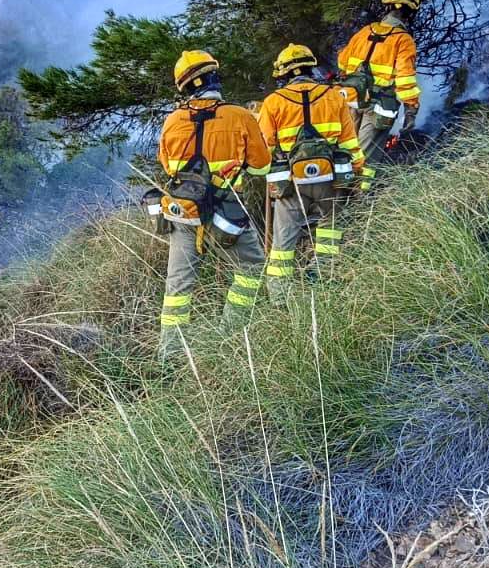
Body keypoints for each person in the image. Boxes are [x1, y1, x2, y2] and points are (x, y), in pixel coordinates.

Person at [155, 50, 271, 357]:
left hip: (185, 214)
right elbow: (261, 167)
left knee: (178, 288)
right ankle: (230, 334)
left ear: (185, 87)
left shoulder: (172, 121)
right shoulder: (240, 116)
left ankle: (170, 356)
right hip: (226, 213)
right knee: (252, 267)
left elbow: (168, 166)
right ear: (213, 78)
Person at [258, 44, 365, 298]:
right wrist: (358, 174)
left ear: (284, 74)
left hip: (291, 184)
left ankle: (279, 297)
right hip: (330, 181)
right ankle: (324, 279)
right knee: (329, 234)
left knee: (283, 244)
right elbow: (350, 142)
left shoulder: (273, 102)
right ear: (311, 67)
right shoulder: (333, 97)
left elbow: (264, 149)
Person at [336, 0, 423, 175]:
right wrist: (411, 111)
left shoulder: (364, 32)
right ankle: (360, 200)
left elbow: (342, 62)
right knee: (365, 161)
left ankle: (338, 197)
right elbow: (405, 81)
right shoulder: (403, 40)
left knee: (346, 154)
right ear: (410, 13)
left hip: (351, 101)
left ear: (387, 8)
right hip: (379, 109)